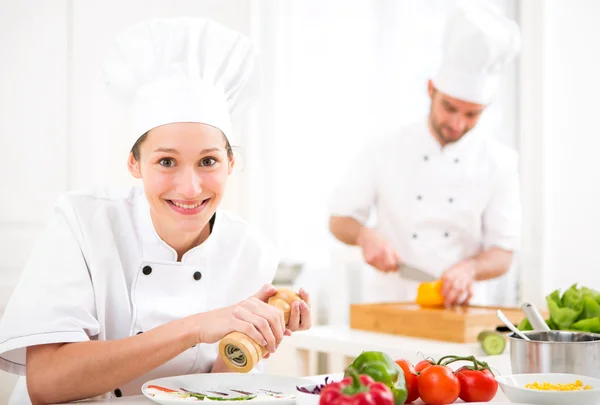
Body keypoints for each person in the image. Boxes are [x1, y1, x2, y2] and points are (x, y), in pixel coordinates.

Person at [0, 17, 311, 405]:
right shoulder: (83, 221)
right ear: (135, 164)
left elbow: (218, 390)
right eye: (166, 162)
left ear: (232, 163)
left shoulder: (251, 249)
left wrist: (253, 339)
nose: (190, 188)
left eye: (208, 161)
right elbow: (48, 383)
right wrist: (196, 328)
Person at [328, 2, 522, 307]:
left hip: (460, 307)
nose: (457, 124)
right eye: (449, 108)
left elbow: (503, 253)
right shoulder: (384, 148)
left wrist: (470, 268)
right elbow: (339, 220)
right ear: (431, 89)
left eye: (471, 115)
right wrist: (366, 237)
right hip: (390, 304)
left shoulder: (500, 163)